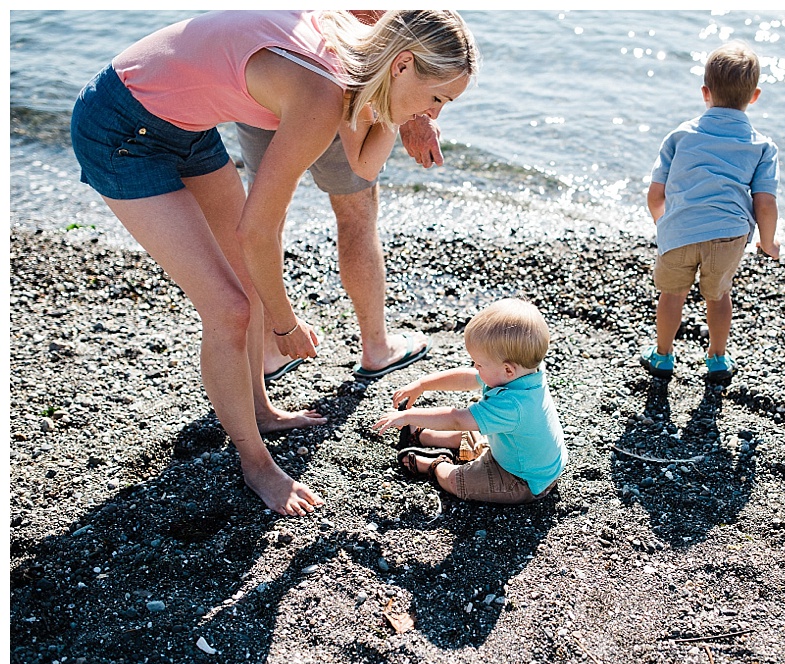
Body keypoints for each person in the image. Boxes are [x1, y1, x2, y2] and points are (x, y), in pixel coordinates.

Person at [70, 10, 479, 515]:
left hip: (182, 126)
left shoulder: (357, 62)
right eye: (437, 98)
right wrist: (285, 327)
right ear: (402, 64)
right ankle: (256, 464)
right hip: (120, 130)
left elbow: (362, 164)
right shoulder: (321, 95)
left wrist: (405, 114)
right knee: (230, 309)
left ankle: (259, 411)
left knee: (247, 280)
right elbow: (257, 231)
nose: (435, 115)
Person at [241, 10, 441, 385]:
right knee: (355, 212)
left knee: (266, 213)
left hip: (262, 65)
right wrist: (414, 113)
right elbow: (381, 24)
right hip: (331, 77)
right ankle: (376, 347)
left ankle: (269, 350)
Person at [639, 40, 780, 383]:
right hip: (728, 235)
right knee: (718, 295)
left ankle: (662, 357)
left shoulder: (680, 136)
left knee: (672, 294)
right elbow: (765, 202)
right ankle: (717, 358)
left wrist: (665, 222)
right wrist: (768, 241)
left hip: (679, 230)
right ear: (754, 96)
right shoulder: (761, 146)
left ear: (705, 91)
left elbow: (656, 193)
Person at [372, 298, 566, 504]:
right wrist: (423, 384)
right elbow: (467, 377)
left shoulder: (513, 404)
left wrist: (408, 415)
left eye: (480, 363)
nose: (475, 366)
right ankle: (425, 436)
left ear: (507, 369)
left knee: (457, 481)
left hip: (523, 480)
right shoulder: (523, 371)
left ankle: (435, 465)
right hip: (515, 453)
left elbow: (456, 419)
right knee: (477, 427)